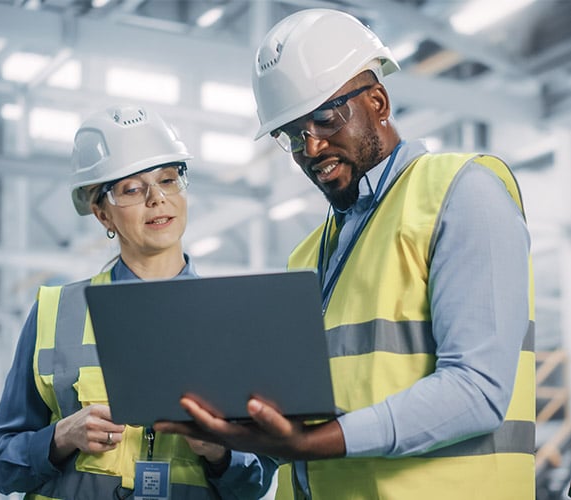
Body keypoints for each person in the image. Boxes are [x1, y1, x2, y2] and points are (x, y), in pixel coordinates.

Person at [154, 8, 536, 500]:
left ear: (378, 101)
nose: (310, 146)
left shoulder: (461, 193)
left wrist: (316, 442)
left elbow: (478, 390)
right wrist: (227, 443)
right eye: (291, 133)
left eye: (324, 117)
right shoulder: (309, 255)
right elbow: (304, 423)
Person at [0, 104, 270, 499]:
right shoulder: (56, 312)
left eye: (168, 180)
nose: (157, 199)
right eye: (132, 189)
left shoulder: (234, 318)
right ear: (103, 215)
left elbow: (256, 482)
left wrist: (219, 452)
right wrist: (60, 437)